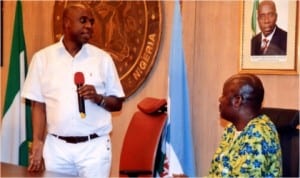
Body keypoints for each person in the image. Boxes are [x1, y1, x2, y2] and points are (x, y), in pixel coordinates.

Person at [21, 3, 125, 178]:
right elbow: (38, 104)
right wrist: (38, 143)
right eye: (83, 21)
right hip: (57, 149)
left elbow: (118, 103)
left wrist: (98, 98)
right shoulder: (42, 59)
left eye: (91, 22)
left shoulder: (102, 59)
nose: (89, 26)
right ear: (67, 23)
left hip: (94, 149)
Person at [208, 73, 282, 177]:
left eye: (224, 95)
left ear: (237, 101)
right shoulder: (231, 129)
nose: (220, 99)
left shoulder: (259, 135)